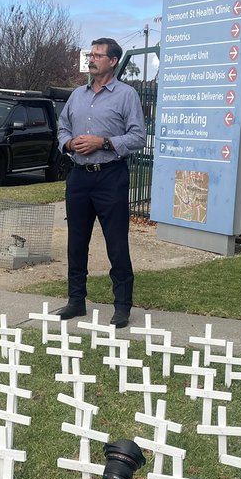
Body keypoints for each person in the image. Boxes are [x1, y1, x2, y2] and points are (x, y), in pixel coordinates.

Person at [56, 37, 147, 329]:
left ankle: (122, 306)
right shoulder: (76, 95)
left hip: (111, 176)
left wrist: (103, 142)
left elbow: (137, 137)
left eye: (97, 55)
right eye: (91, 55)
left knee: (116, 243)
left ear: (112, 61)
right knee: (76, 241)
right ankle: (76, 301)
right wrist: (69, 143)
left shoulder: (126, 95)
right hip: (79, 178)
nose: (91, 60)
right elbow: (62, 128)